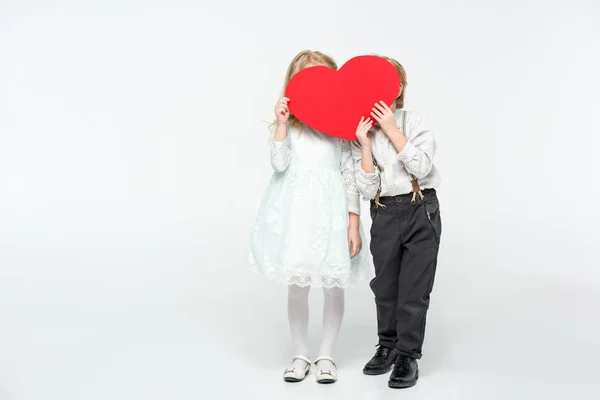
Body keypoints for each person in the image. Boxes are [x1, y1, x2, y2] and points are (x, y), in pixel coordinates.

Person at [248, 50, 370, 384]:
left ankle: (326, 354)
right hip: (298, 212)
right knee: (298, 284)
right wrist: (283, 124)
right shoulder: (290, 127)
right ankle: (301, 353)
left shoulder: (341, 129)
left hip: (331, 212)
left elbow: (349, 175)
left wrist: (354, 222)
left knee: (333, 284)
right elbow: (279, 163)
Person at [351, 56, 442, 389]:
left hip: (420, 210)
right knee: (386, 287)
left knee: (414, 290)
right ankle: (387, 346)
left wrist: (390, 129)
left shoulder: (414, 121)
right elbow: (366, 188)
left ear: (397, 87)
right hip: (384, 212)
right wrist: (364, 144)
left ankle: (407, 355)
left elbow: (421, 167)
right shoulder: (361, 129)